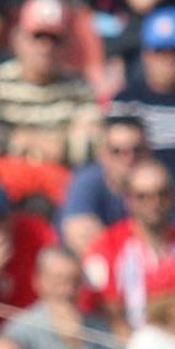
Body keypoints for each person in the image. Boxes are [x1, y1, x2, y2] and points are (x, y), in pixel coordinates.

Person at [0, 0, 98, 165]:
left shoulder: (79, 89)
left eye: (55, 39)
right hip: (9, 175)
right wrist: (48, 142)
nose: (46, 47)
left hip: (64, 176)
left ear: (67, 45)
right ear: (17, 39)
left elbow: (92, 143)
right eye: (37, 36)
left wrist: (39, 143)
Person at [81, 156, 175, 333]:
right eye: (142, 196)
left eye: (162, 194)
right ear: (128, 200)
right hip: (129, 343)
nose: (154, 203)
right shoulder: (107, 248)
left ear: (173, 196)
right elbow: (105, 313)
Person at [106, 8, 175, 214]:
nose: (168, 58)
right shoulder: (127, 101)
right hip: (140, 200)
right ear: (146, 55)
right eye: (160, 50)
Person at [61, 111, 146, 260]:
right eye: (117, 151)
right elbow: (82, 239)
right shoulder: (86, 182)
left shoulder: (161, 186)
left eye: (136, 150)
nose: (128, 158)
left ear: (148, 152)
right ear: (102, 153)